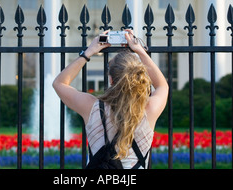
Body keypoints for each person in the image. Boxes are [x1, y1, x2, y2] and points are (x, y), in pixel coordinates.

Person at [53, 30, 168, 169]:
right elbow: (162, 85)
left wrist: (88, 52)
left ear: (111, 79)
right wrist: (140, 51)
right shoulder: (149, 109)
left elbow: (59, 83)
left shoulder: (92, 107)